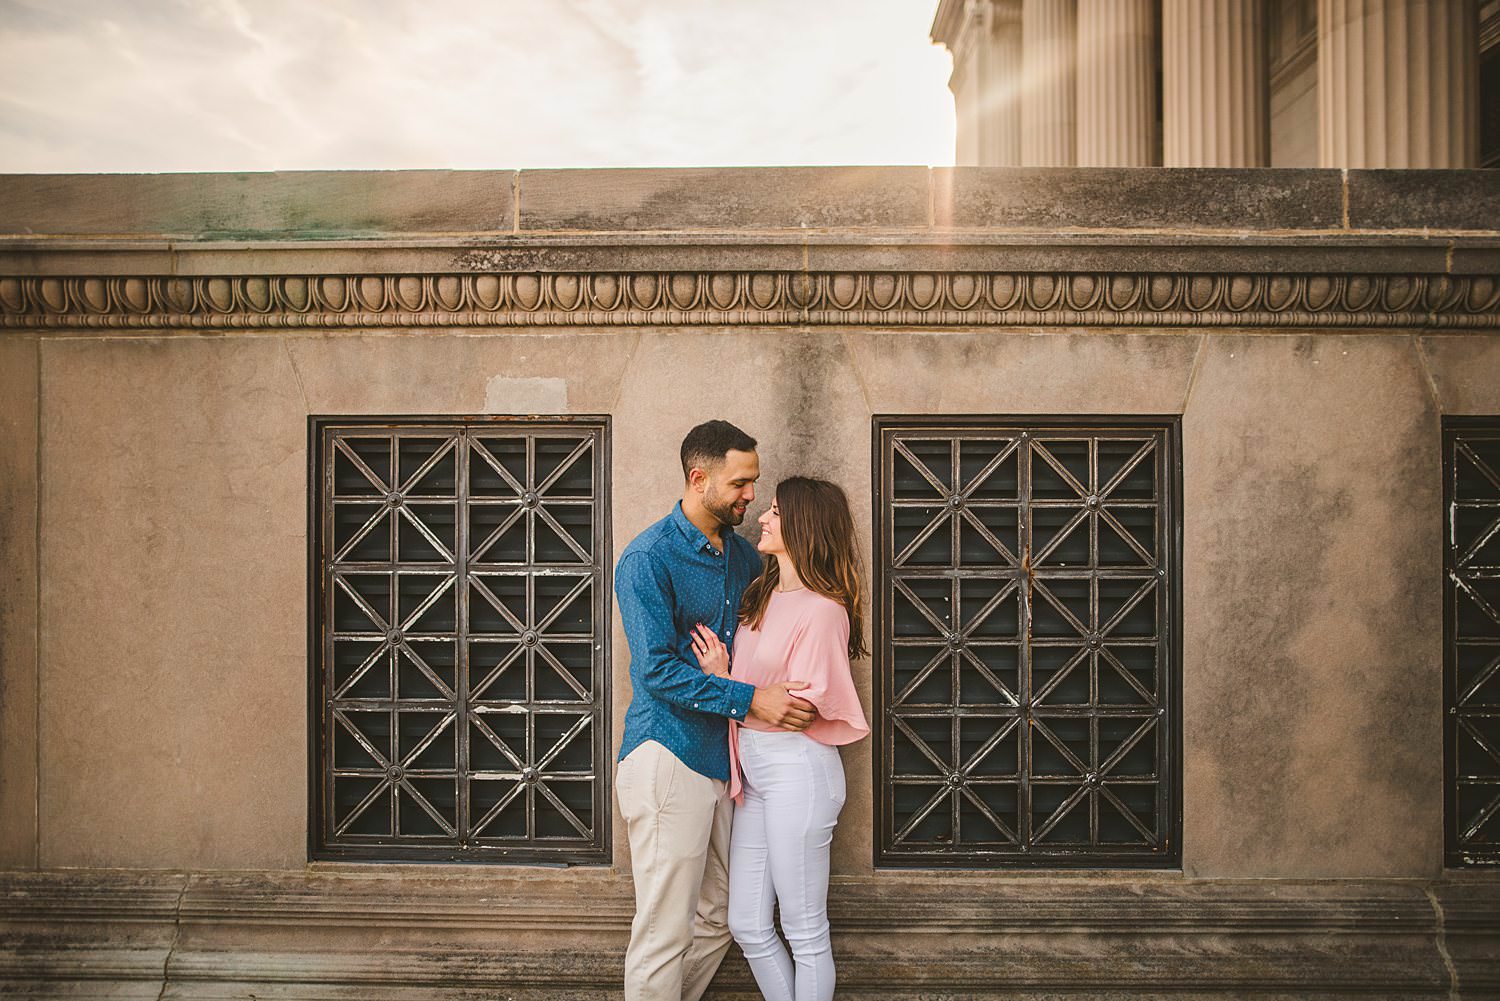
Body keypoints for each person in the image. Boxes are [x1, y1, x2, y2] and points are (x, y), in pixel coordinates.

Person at [614, 420, 819, 1001]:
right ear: (698, 479)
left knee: (721, 915)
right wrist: (751, 698)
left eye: (755, 483)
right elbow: (654, 671)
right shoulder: (648, 559)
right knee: (663, 931)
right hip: (667, 754)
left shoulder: (743, 560)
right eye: (740, 483)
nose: (751, 496)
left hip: (724, 764)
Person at [689, 476, 870, 1001]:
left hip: (799, 776)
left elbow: (801, 710)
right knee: (746, 923)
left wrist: (739, 690)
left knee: (805, 930)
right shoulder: (759, 598)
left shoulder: (822, 609)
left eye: (774, 510)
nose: (762, 518)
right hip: (758, 778)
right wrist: (732, 683)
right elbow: (765, 698)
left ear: (804, 525)